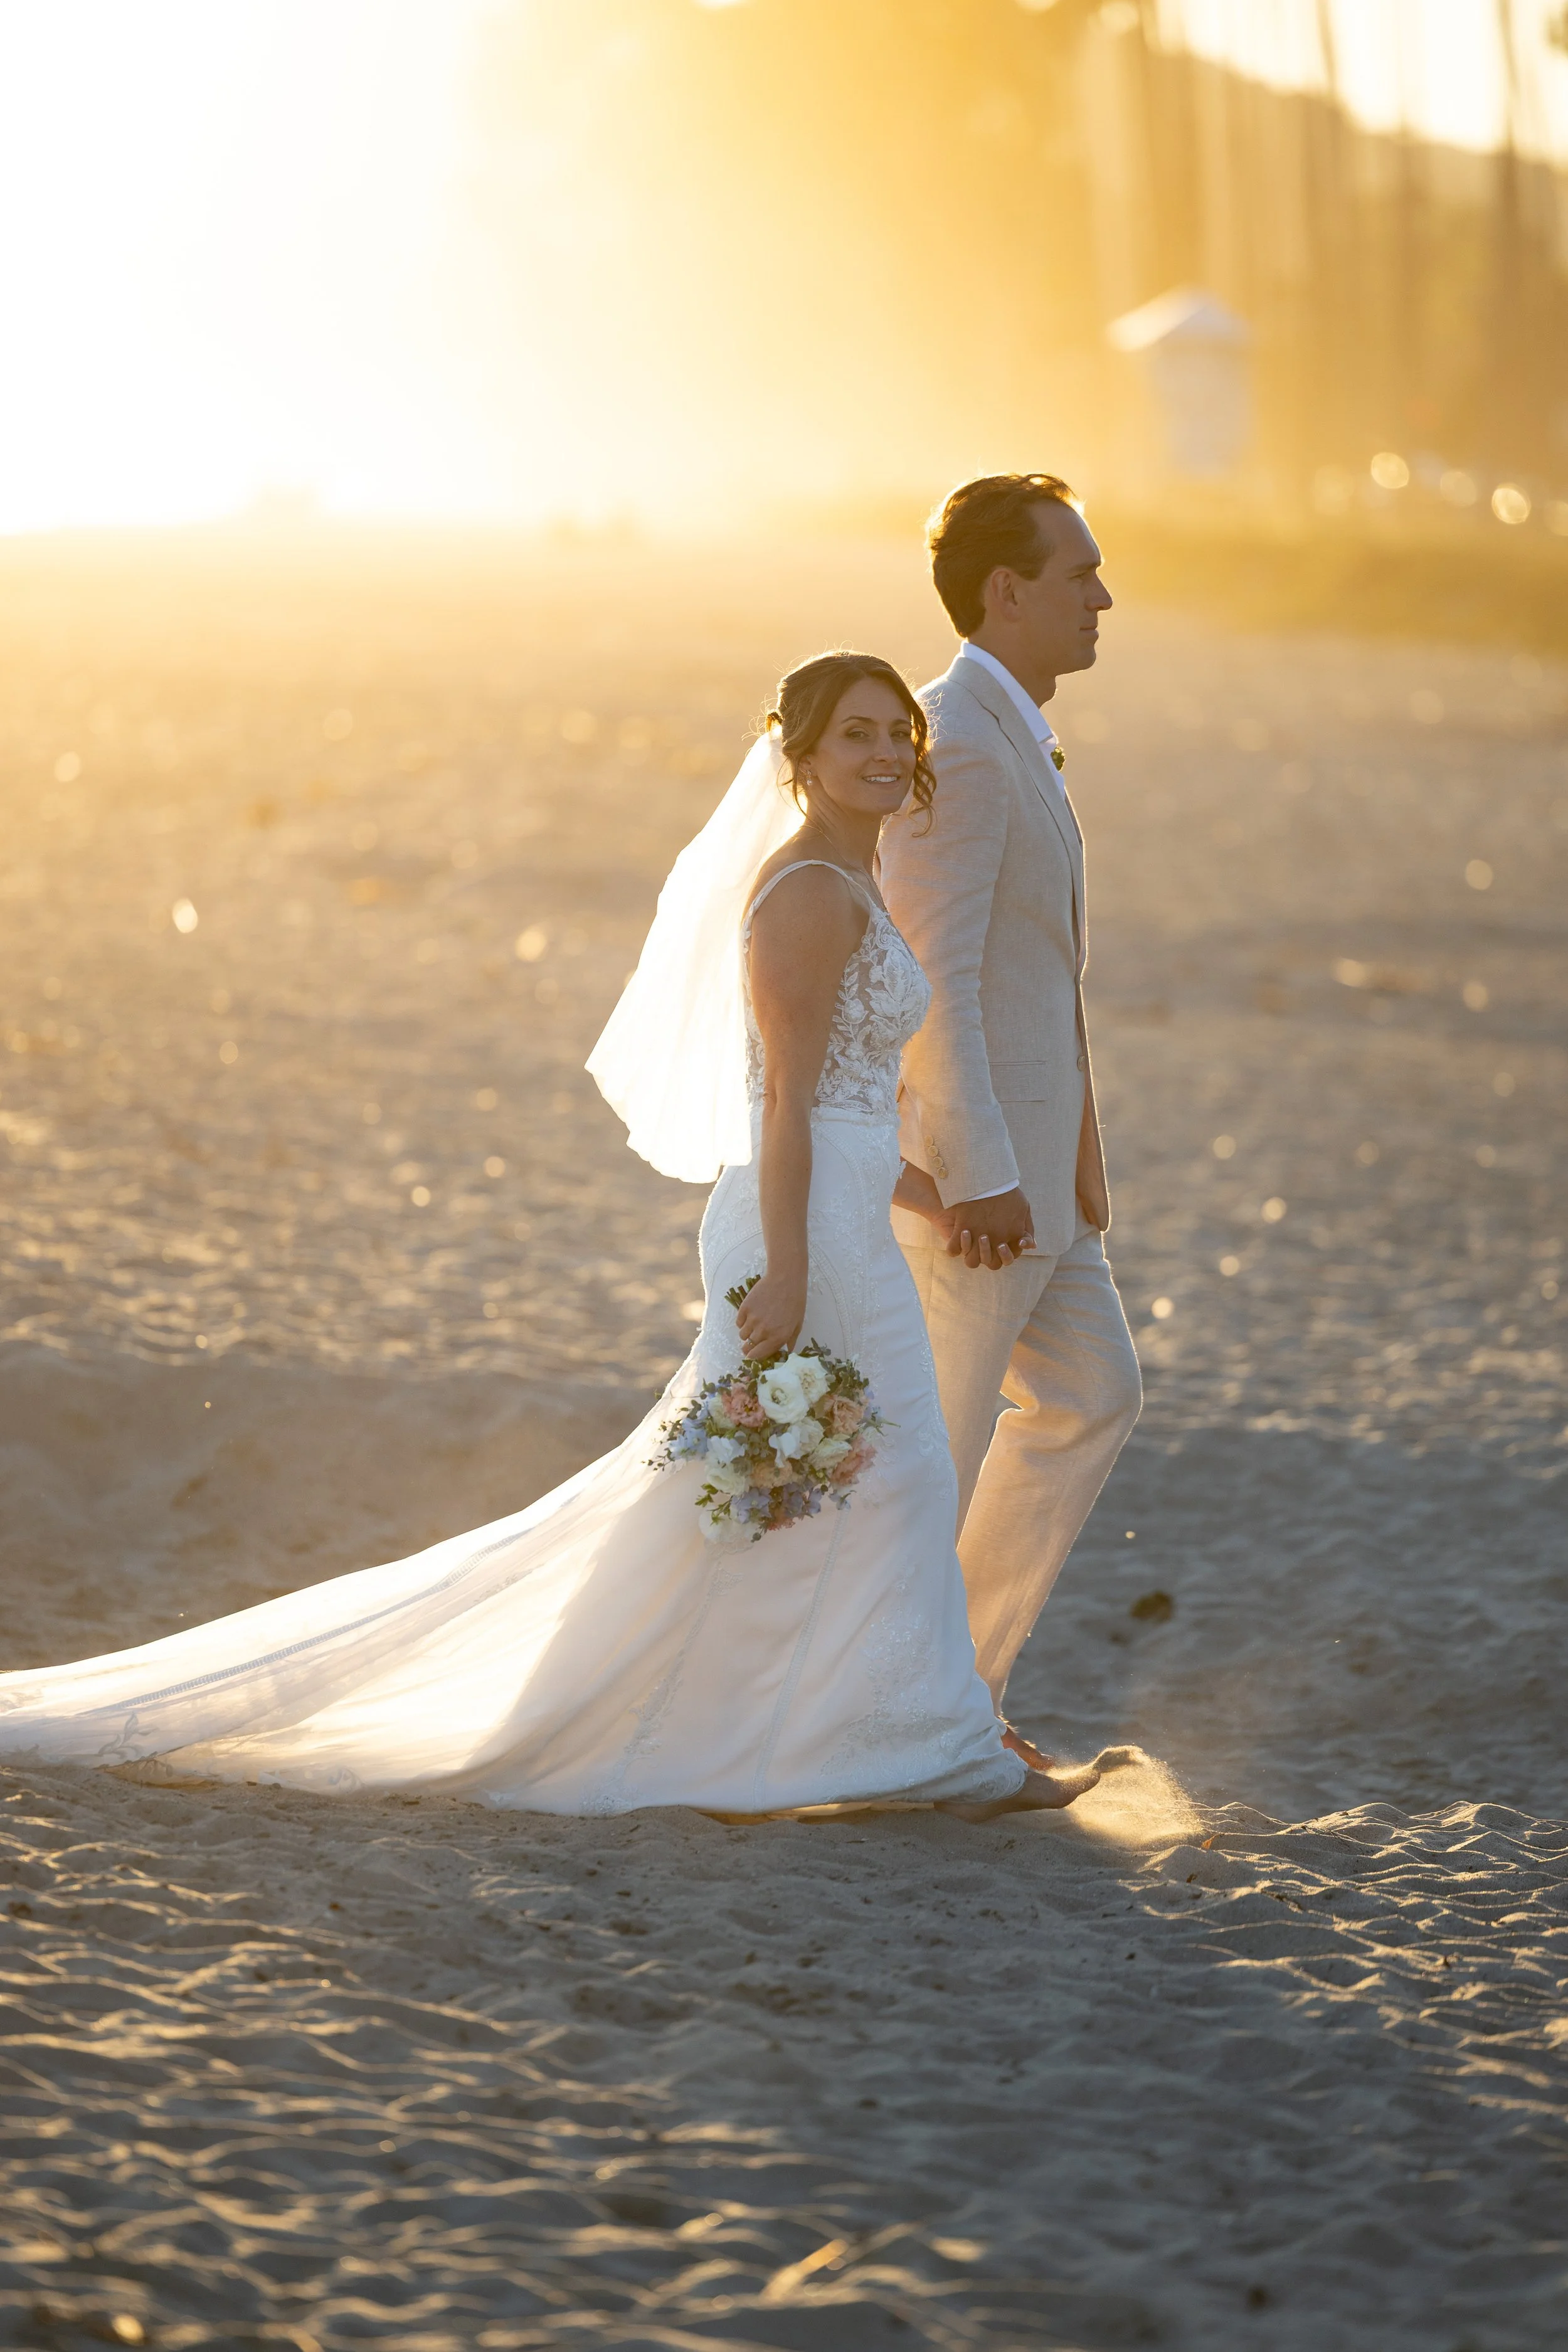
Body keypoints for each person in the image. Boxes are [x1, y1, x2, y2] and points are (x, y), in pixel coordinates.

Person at [0, 652, 1116, 1819]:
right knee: (873, 1475)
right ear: (801, 757)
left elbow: (849, 1096)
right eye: (857, 735)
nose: (889, 751)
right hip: (797, 1228)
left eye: (900, 731)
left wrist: (928, 1199)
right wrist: (786, 1270)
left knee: (832, 1486)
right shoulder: (803, 895)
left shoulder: (860, 875)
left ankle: (875, 1742)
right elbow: (782, 1102)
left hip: (843, 1206)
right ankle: (931, 1754)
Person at [879, 475, 1143, 1744]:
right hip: (975, 1188)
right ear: (1006, 590)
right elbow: (934, 983)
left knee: (1094, 1391)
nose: (1101, 595)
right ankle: (917, 1715)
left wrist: (1069, 1166)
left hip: (1047, 1179)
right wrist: (977, 1172)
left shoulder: (1009, 726)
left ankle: (955, 1692)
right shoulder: (962, 744)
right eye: (1079, 571)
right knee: (926, 1457)